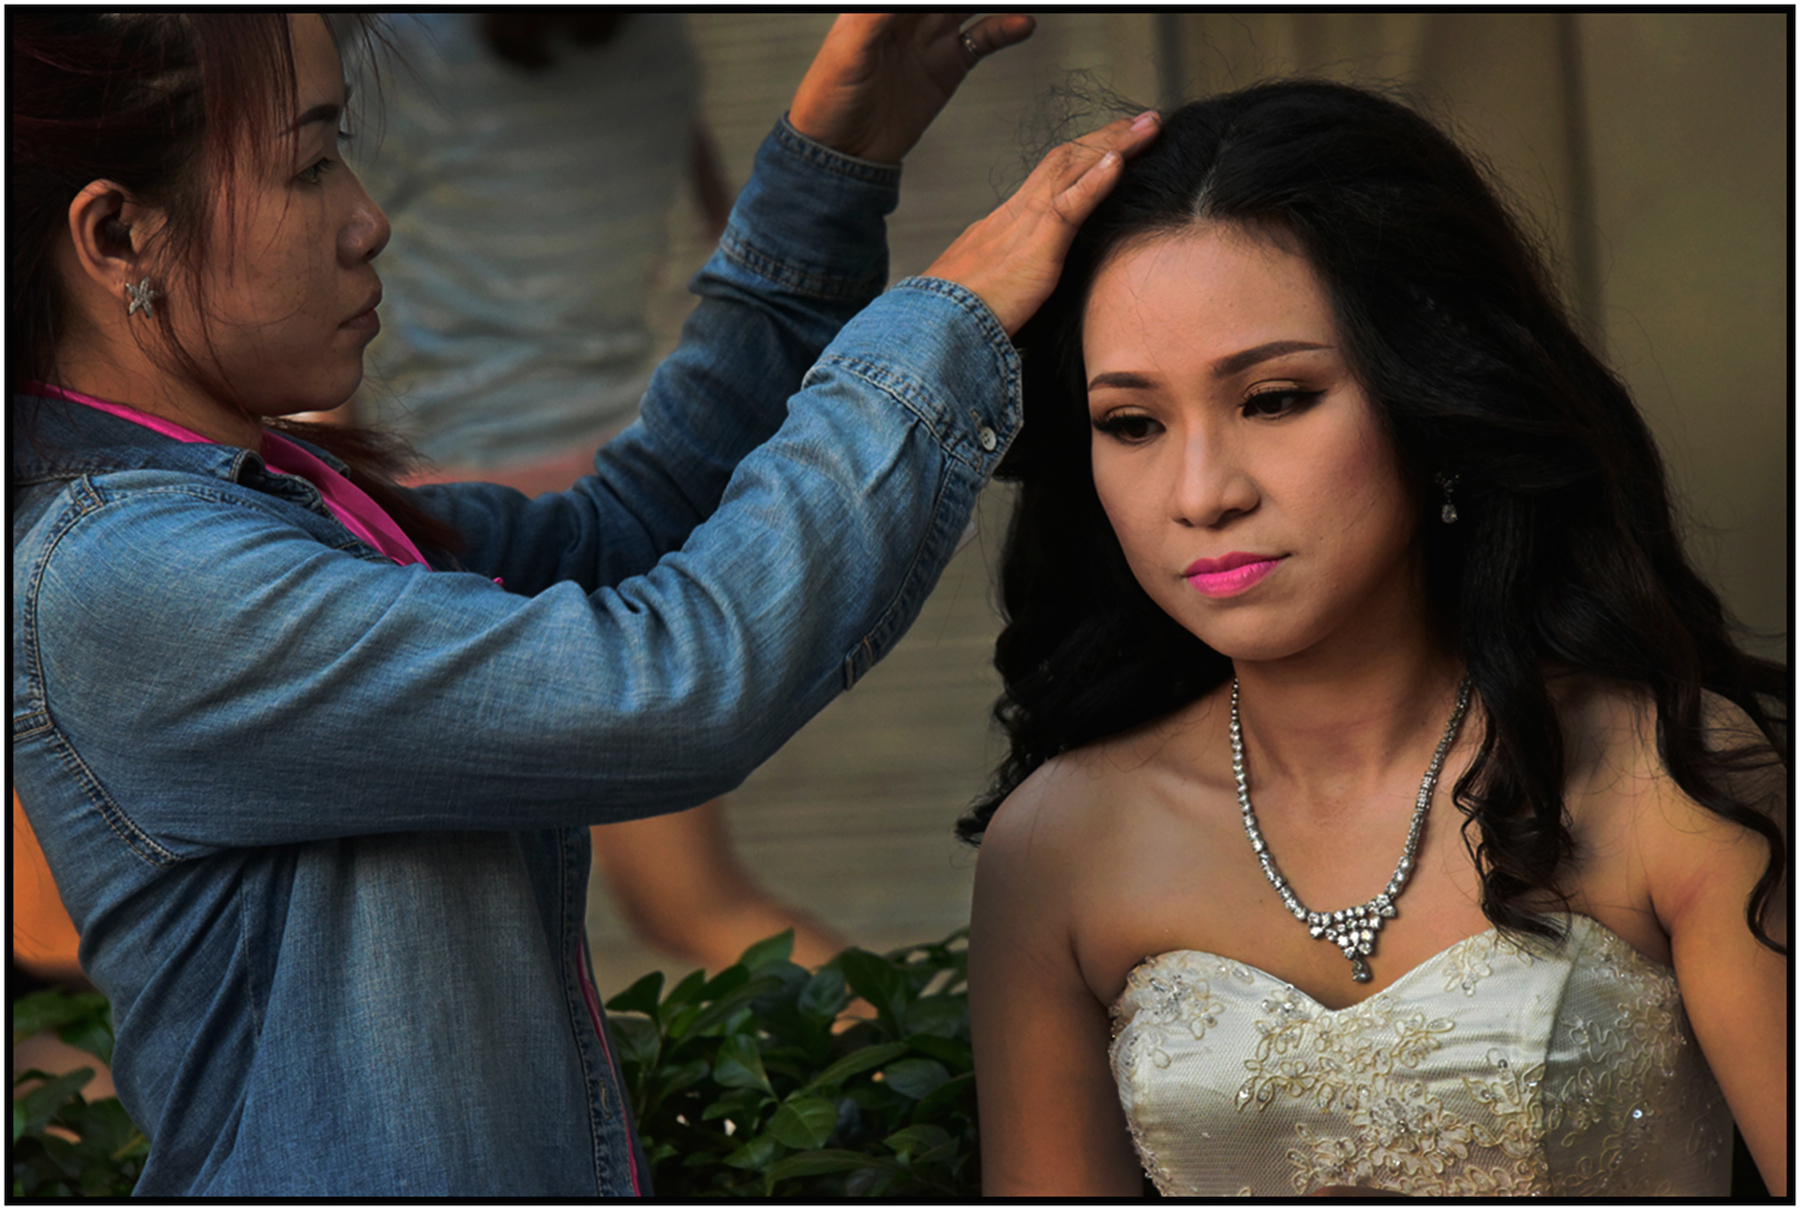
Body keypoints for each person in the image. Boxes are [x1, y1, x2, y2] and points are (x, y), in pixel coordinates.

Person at [8, 10, 1160, 1196]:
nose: (367, 217)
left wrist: (834, 160)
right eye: (309, 164)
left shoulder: (269, 503)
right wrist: (936, 331)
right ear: (117, 235)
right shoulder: (129, 576)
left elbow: (627, 528)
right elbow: (673, 686)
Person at [963, 80, 1786, 1197]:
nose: (1202, 494)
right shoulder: (1055, 846)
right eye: (1134, 424)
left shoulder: (1670, 772)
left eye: (1276, 398)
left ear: (1429, 395)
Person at [357, 10, 850, 973]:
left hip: (456, 533)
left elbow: (313, 261)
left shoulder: (401, 55)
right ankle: (955, 1086)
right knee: (695, 905)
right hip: (622, 497)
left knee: (430, 931)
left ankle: (969, 1094)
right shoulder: (651, 42)